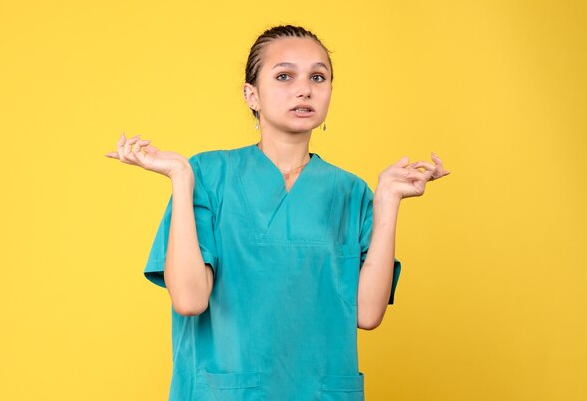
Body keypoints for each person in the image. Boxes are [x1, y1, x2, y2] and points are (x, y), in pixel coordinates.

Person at [105, 24, 449, 401]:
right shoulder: (205, 176)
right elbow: (189, 300)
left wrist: (388, 200)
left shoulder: (350, 192)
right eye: (285, 76)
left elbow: (367, 315)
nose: (305, 89)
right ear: (251, 94)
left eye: (318, 77)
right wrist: (180, 177)